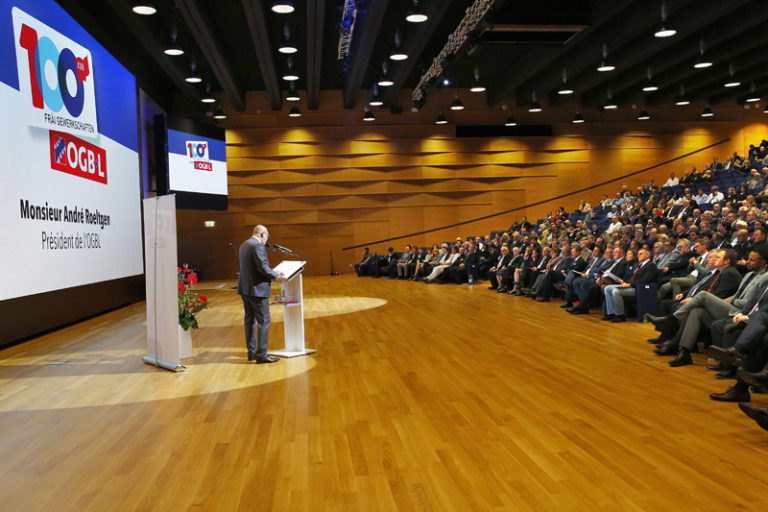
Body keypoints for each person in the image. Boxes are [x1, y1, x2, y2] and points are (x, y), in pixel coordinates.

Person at [237, 225, 284, 363]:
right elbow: (262, 267)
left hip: (245, 289)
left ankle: (252, 353)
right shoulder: (257, 245)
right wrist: (275, 274)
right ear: (262, 234)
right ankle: (262, 355)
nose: (266, 240)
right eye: (267, 237)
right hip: (257, 290)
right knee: (264, 321)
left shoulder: (244, 245)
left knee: (249, 321)